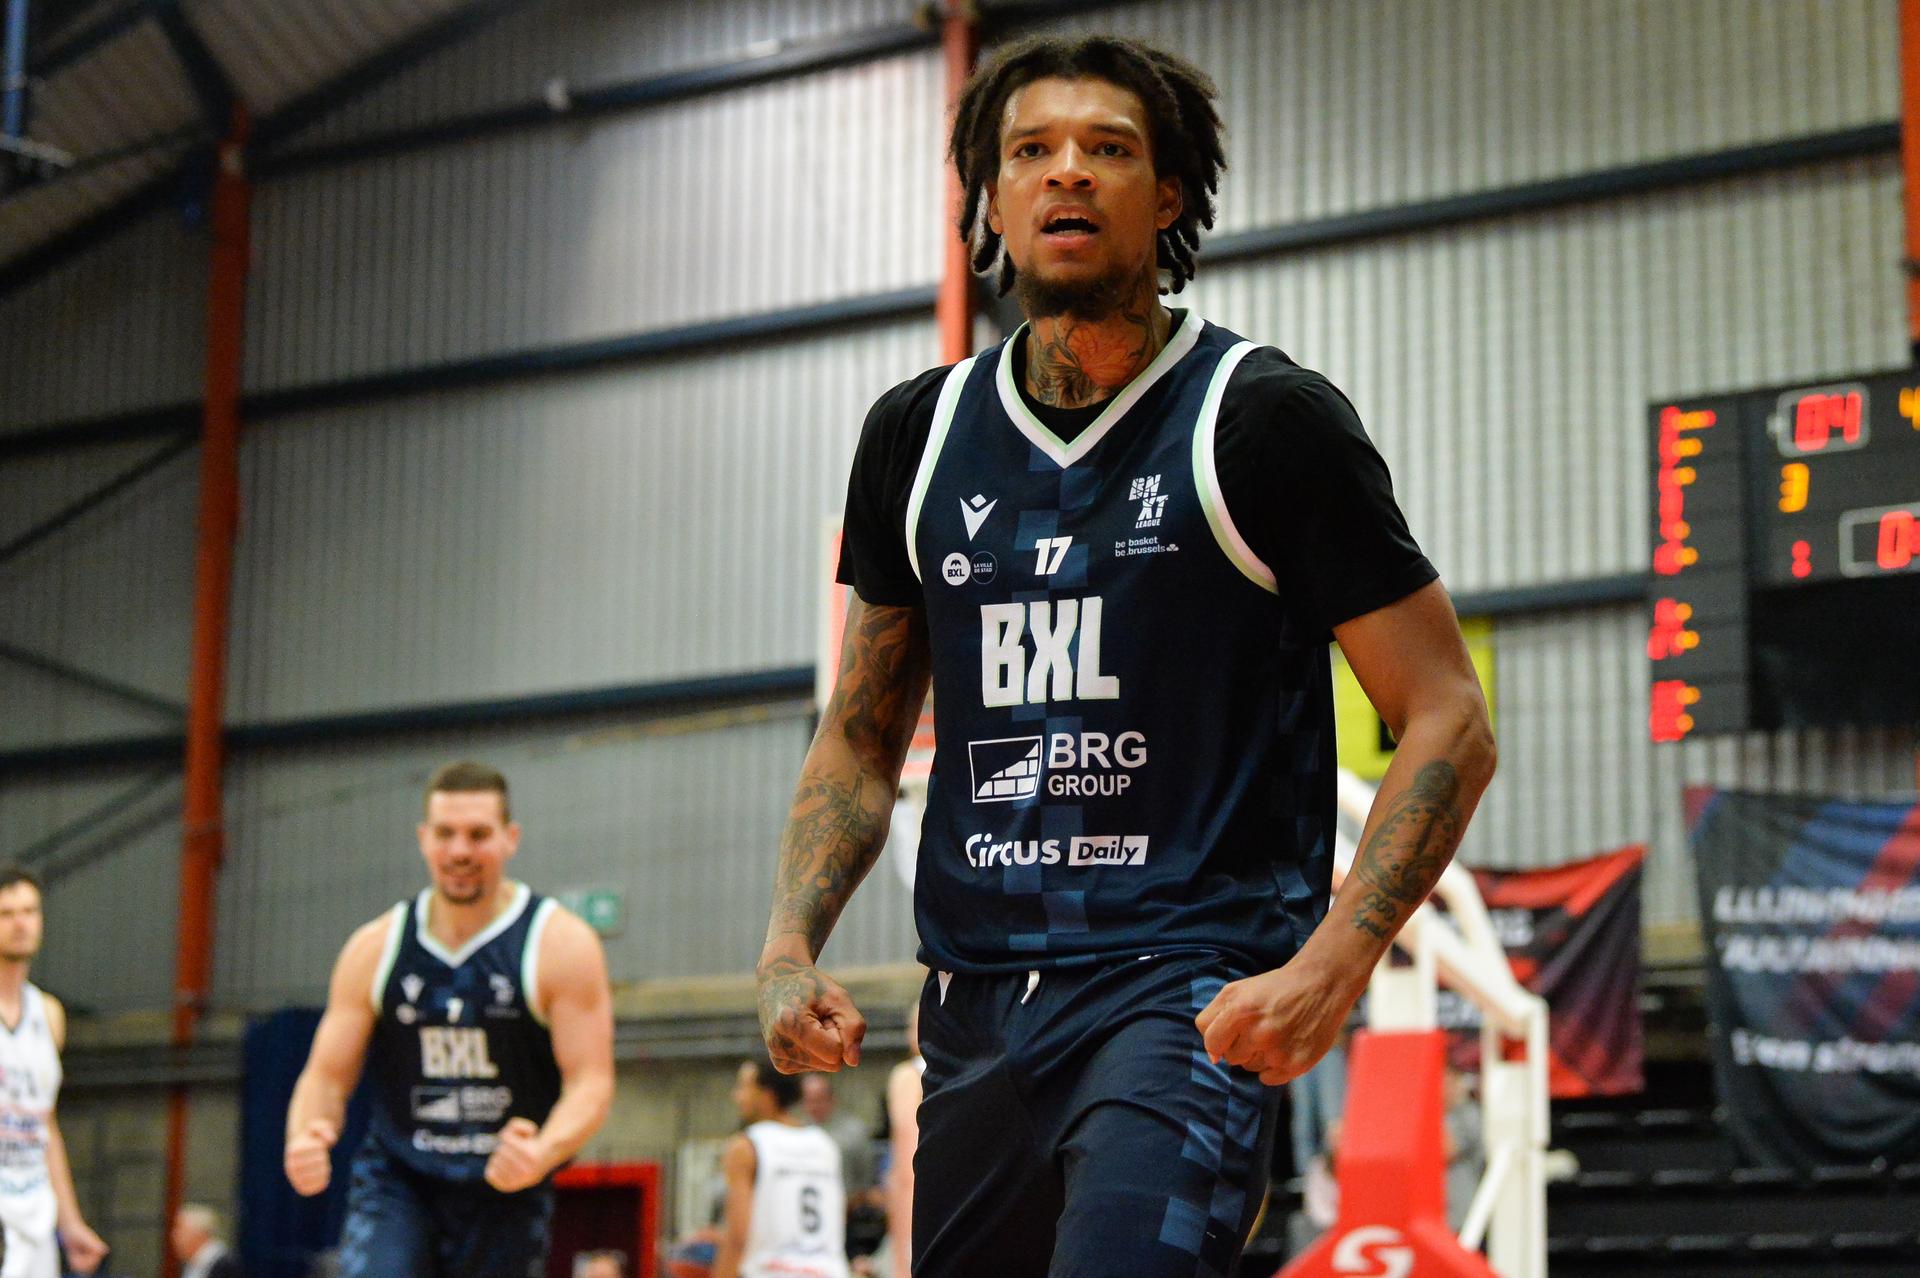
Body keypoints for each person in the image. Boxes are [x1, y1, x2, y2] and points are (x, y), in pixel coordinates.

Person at [755, 32, 1497, 1278]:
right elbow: (863, 733)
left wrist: (1336, 962)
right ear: (990, 198)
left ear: (1169, 196)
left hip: (1182, 989)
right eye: (1032, 152)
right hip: (976, 1004)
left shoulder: (1261, 420)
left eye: (1109, 150)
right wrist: (787, 945)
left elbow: (1447, 717)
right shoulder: (916, 438)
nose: (1068, 176)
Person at [283, 761, 616, 1278]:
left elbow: (591, 1082)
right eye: (446, 834)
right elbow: (326, 1076)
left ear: (510, 839)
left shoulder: (559, 944)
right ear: (423, 839)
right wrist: (306, 1133)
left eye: (478, 835)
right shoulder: (376, 947)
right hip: (401, 1177)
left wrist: (543, 1152)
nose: (460, 851)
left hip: (506, 1182)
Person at [0, 865, 108, 1278]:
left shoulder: (49, 1014)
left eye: (29, 910)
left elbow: (46, 1126)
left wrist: (71, 1220)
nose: (20, 923)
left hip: (35, 1212)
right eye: (7, 913)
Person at [712, 1059, 849, 1278]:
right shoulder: (825, 1144)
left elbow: (738, 1235)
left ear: (767, 1094)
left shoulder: (746, 1146)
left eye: (743, 1087)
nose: (736, 1096)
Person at [800, 1074, 877, 1204]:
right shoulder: (798, 1132)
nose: (814, 1106)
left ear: (831, 1099)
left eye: (819, 1099)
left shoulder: (855, 1131)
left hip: (850, 1208)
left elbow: (866, 1181)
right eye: (809, 1100)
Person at [172, 1203, 243, 1278]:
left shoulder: (225, 1265)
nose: (175, 1236)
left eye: (180, 1230)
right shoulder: (191, 1262)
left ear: (198, 1234)